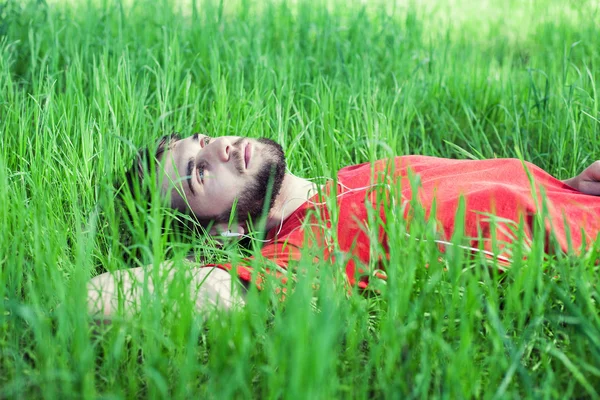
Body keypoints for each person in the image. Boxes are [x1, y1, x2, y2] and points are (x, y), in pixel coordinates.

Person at [87, 133, 600, 317]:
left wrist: (569, 187)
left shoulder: (354, 177)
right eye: (199, 175)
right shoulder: (303, 254)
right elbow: (190, 288)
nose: (218, 148)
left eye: (202, 142)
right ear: (222, 232)